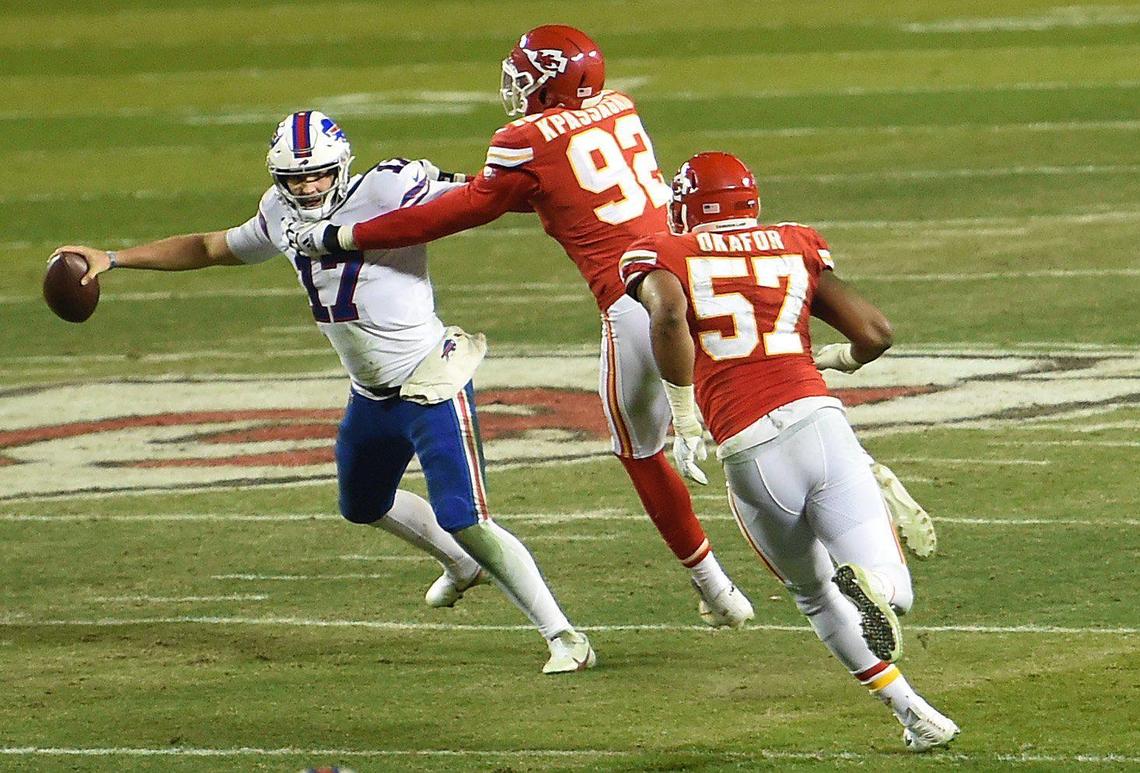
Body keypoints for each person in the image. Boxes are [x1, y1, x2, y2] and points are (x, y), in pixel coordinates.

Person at [50, 110, 596, 675]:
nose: (307, 186)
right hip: (371, 393)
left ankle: (564, 636)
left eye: (318, 174)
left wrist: (571, 197)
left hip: (432, 379)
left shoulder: (390, 185)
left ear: (343, 166)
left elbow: (487, 193)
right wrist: (114, 258)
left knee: (465, 515)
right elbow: (211, 246)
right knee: (363, 504)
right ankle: (463, 566)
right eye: (295, 177)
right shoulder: (277, 210)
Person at [286, 25, 756, 627]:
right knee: (759, 409)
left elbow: (463, 211)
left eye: (525, 73)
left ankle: (719, 593)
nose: (515, 84)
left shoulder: (524, 138)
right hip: (695, 274)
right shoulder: (622, 107)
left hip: (633, 297)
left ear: (550, 79)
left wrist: (346, 233)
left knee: (641, 453)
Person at [620, 151, 958, 751]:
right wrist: (835, 359)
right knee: (891, 591)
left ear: (689, 204)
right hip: (819, 423)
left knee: (814, 592)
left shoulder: (664, 252)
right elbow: (875, 333)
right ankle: (878, 583)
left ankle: (914, 715)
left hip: (749, 446)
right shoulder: (796, 243)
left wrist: (682, 416)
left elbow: (670, 316)